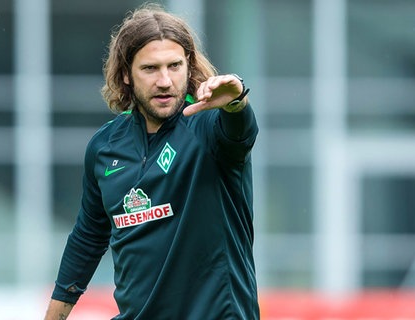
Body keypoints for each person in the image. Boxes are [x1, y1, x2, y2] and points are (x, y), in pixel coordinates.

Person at [44, 3, 259, 319]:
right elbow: (88, 239)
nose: (165, 81)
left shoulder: (209, 128)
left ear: (188, 66)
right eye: (150, 68)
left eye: (174, 66)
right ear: (126, 75)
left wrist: (237, 102)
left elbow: (241, 134)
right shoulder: (104, 147)